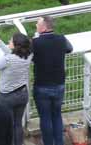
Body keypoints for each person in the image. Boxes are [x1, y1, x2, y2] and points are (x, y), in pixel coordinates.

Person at [0, 31, 32, 145]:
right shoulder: (28, 55)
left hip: (6, 98)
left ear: (16, 45)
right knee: (17, 124)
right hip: (22, 94)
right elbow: (11, 52)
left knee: (7, 126)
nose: (9, 42)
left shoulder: (8, 60)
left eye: (10, 41)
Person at [31, 15, 73, 145]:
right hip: (59, 85)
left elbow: (29, 56)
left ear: (43, 27)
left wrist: (34, 39)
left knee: (45, 118)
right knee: (56, 115)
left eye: (37, 23)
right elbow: (69, 49)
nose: (36, 25)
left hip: (42, 86)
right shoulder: (61, 39)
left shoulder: (35, 43)